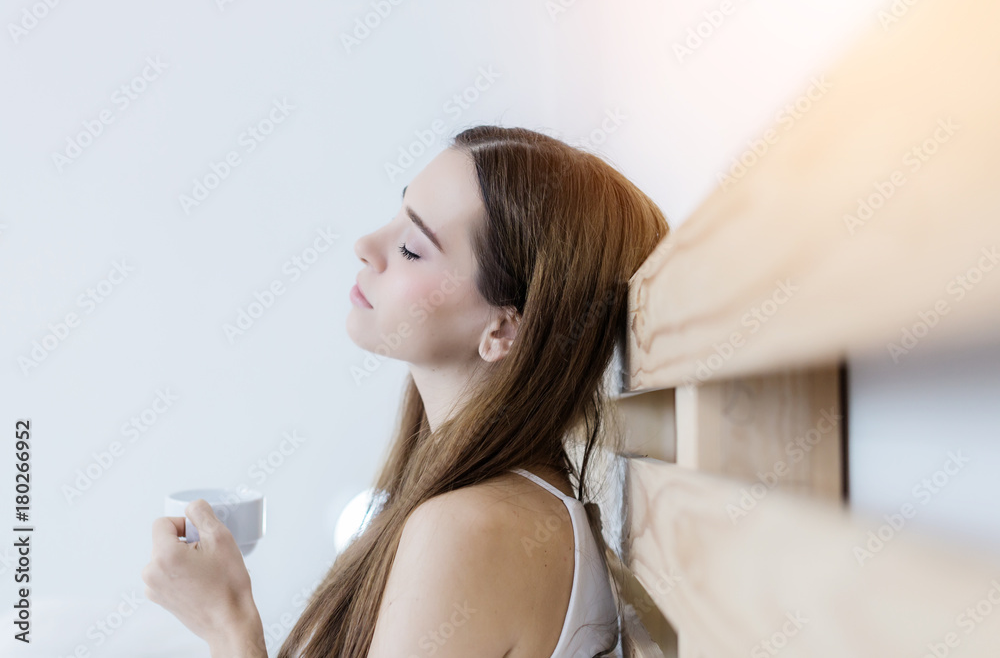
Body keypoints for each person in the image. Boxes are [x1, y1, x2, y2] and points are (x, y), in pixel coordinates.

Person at [141, 124, 670, 657]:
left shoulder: (471, 530)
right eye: (396, 216)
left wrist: (226, 622)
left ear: (503, 331)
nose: (366, 247)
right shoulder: (498, 509)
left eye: (413, 249)